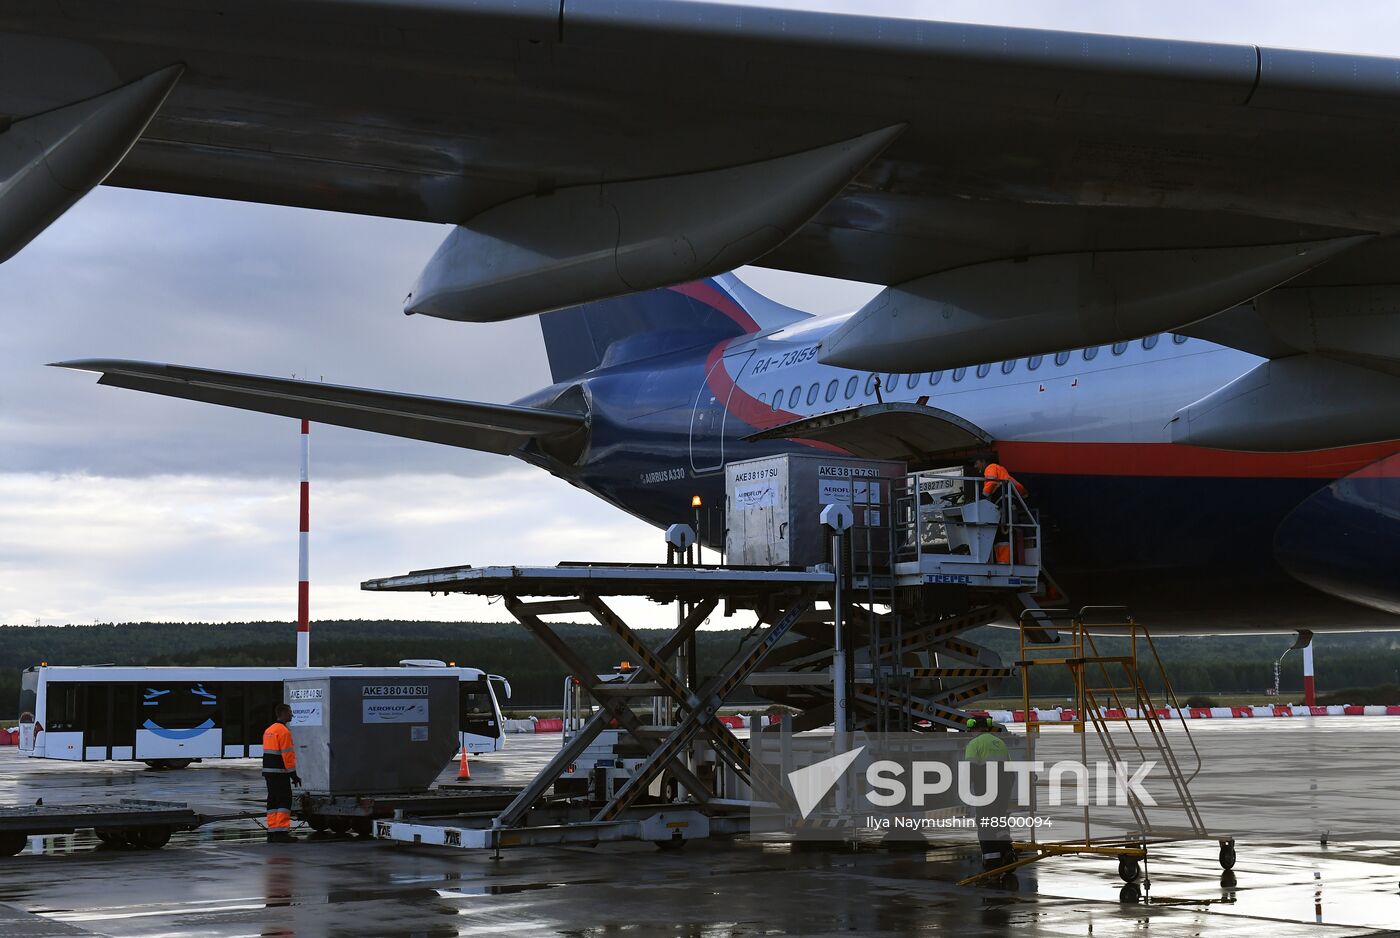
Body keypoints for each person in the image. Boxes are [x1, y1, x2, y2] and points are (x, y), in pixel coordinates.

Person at [964, 716, 1015, 871]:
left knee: (985, 823)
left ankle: (992, 861)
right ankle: (1008, 853)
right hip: (1003, 787)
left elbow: (970, 770)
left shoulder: (974, 744)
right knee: (999, 821)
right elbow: (1010, 771)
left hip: (986, 790)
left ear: (974, 729)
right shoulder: (999, 742)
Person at [262, 703, 302, 843]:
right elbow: (287, 756)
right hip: (280, 773)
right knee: (284, 801)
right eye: (290, 712)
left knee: (272, 801)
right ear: (283, 713)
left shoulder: (269, 730)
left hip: (268, 772)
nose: (292, 715)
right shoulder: (283, 731)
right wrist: (293, 775)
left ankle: (272, 832)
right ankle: (282, 833)